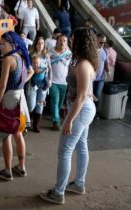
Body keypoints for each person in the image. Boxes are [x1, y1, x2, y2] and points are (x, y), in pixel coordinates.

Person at [39, 27, 98, 205]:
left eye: (72, 38)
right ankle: (79, 184)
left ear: (79, 41)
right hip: (84, 107)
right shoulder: (84, 61)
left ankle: (58, 192)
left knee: (65, 151)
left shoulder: (82, 64)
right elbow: (86, 90)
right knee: (81, 146)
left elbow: (81, 95)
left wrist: (69, 120)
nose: (70, 40)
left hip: (80, 109)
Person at [0, 31, 34, 181]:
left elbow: (2, 86)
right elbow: (31, 71)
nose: (1, 47)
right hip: (21, 97)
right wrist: (21, 84)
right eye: (0, 44)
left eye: (3, 44)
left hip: (9, 98)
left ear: (13, 44)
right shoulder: (21, 57)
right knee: (18, 134)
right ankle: (21, 167)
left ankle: (7, 171)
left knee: (6, 136)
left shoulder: (8, 59)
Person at [27, 36, 51, 133]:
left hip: (43, 83)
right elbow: (27, 68)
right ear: (35, 44)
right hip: (32, 83)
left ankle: (36, 125)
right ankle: (28, 121)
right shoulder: (30, 54)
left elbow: (50, 69)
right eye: (38, 43)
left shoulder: (46, 55)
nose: (40, 45)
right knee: (31, 105)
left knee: (40, 104)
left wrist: (50, 80)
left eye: (42, 43)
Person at [49, 34, 72, 131]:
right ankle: (56, 121)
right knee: (55, 100)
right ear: (56, 41)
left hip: (64, 82)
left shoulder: (69, 53)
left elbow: (67, 64)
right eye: (61, 40)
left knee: (60, 103)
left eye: (65, 41)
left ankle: (55, 114)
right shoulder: (50, 52)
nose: (63, 42)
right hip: (53, 81)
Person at [93, 33, 109, 107]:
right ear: (96, 41)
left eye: (104, 42)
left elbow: (106, 63)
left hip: (100, 78)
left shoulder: (105, 51)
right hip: (91, 78)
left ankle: (95, 112)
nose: (103, 44)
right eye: (101, 42)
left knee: (97, 96)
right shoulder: (91, 51)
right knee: (89, 96)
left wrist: (108, 71)